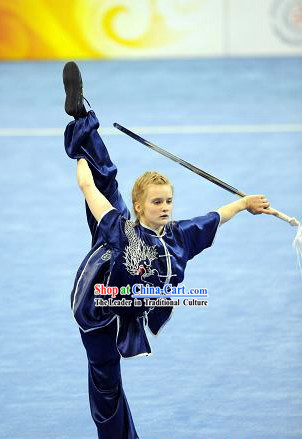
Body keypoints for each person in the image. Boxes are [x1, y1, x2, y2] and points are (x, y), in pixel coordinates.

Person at [63, 61, 274, 439]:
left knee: (108, 177)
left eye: (169, 201)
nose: (165, 207)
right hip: (99, 305)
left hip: (128, 287)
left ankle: (83, 115)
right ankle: (82, 124)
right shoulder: (118, 227)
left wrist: (245, 204)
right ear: (141, 207)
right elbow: (89, 189)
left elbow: (215, 217)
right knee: (106, 386)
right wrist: (80, 157)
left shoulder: (179, 236)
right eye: (157, 202)